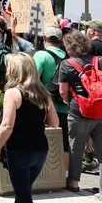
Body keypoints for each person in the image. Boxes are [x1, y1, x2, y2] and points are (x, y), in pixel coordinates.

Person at [0, 54, 60, 203]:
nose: (6, 71)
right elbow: (55, 123)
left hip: (19, 150)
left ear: (15, 71)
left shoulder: (13, 93)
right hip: (40, 149)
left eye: (8, 67)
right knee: (23, 191)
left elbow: (7, 125)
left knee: (25, 197)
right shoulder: (43, 94)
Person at [59, 30, 102, 202]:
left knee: (76, 147)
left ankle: (73, 182)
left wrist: (70, 101)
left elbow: (63, 91)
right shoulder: (101, 61)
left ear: (69, 47)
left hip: (80, 111)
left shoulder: (67, 64)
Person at [34, 27, 70, 169]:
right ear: (61, 40)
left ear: (44, 38)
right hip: (66, 104)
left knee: (46, 139)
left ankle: (47, 172)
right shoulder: (68, 56)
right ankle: (65, 174)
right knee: (65, 142)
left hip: (47, 105)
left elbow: (34, 80)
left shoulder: (40, 55)